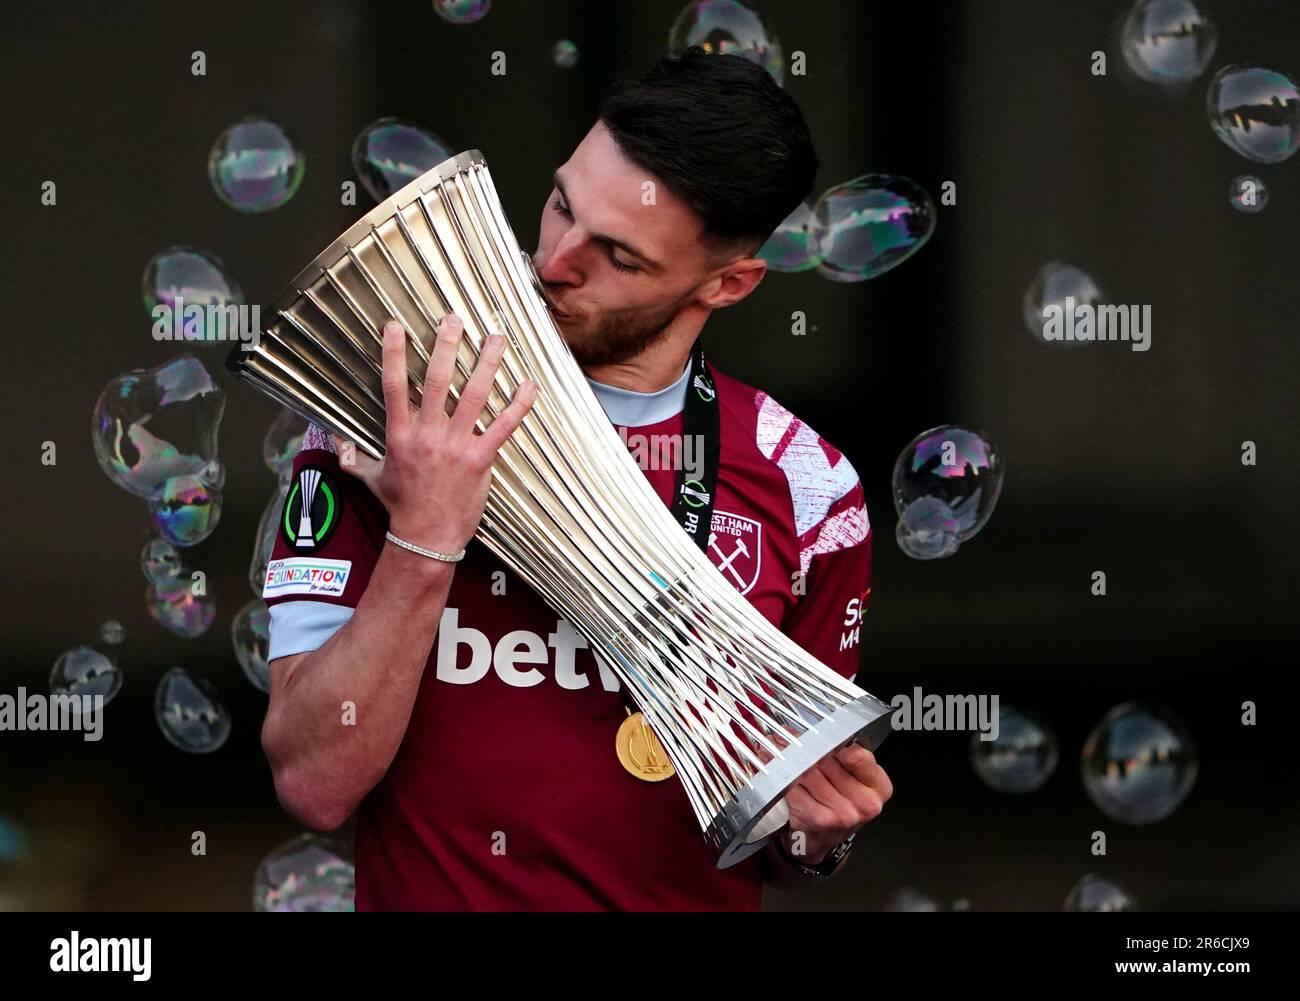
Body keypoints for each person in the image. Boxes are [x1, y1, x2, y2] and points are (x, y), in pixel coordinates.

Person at [259, 47, 892, 911]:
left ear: (730, 284)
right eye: (560, 205)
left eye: (619, 258)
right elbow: (312, 781)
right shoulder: (387, 418)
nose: (553, 260)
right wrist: (425, 537)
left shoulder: (809, 487)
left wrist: (819, 836)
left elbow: (778, 833)